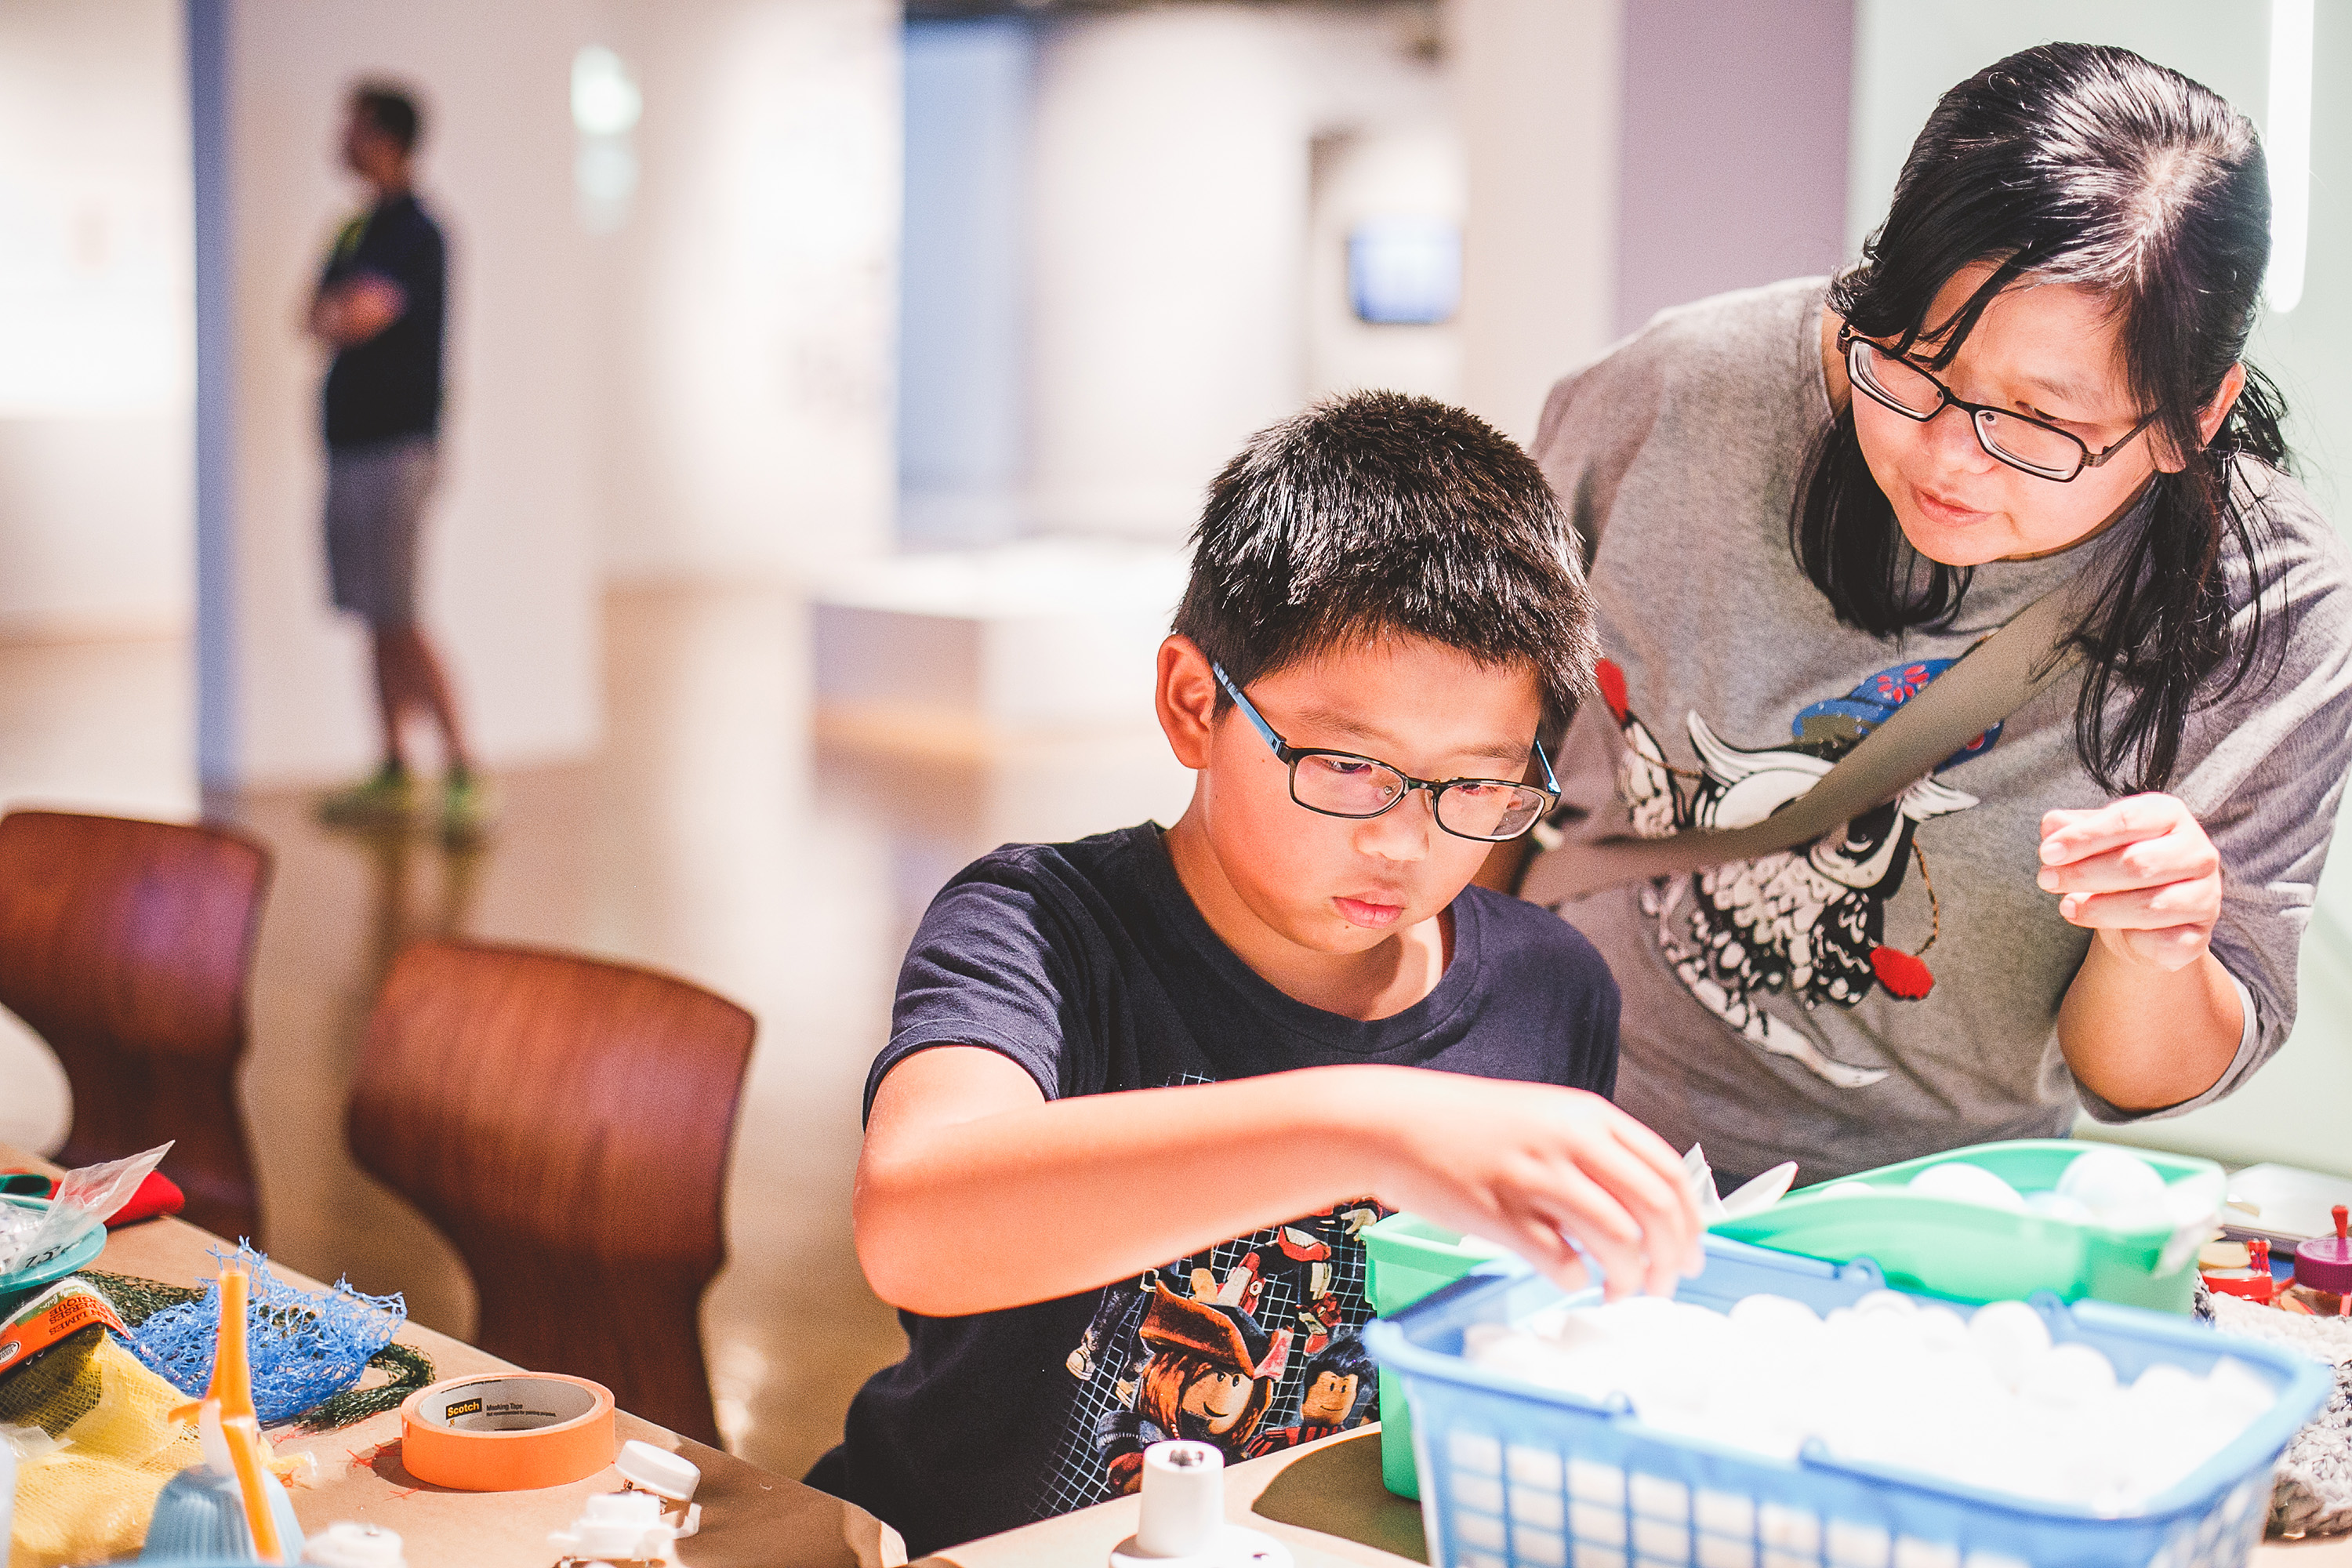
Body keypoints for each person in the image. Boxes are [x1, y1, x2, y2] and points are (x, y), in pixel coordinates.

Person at [808, 391, 1704, 1554]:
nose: (1403, 839)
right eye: (1345, 765)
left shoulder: (1550, 989)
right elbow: (917, 1224)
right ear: (1195, 704)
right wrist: (1369, 1124)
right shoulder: (1041, 928)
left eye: (1476, 787)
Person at [1493, 43, 2352, 1188]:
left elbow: (2138, 1079)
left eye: (2039, 423)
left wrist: (2159, 942)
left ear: (2192, 416)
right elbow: (1482, 754)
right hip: (1561, 1120)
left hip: (1935, 1217)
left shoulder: (2263, 602)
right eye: (1908, 362)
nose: (1948, 458)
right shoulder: (1678, 394)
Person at [307, 82, 485, 844]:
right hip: (349, 445)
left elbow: (354, 314)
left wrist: (346, 312)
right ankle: (393, 762)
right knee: (374, 614)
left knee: (402, 611)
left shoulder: (420, 231)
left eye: (351, 124)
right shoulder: (354, 231)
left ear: (384, 135)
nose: (339, 137)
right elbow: (313, 316)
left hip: (399, 448)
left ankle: (466, 768)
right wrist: (343, 312)